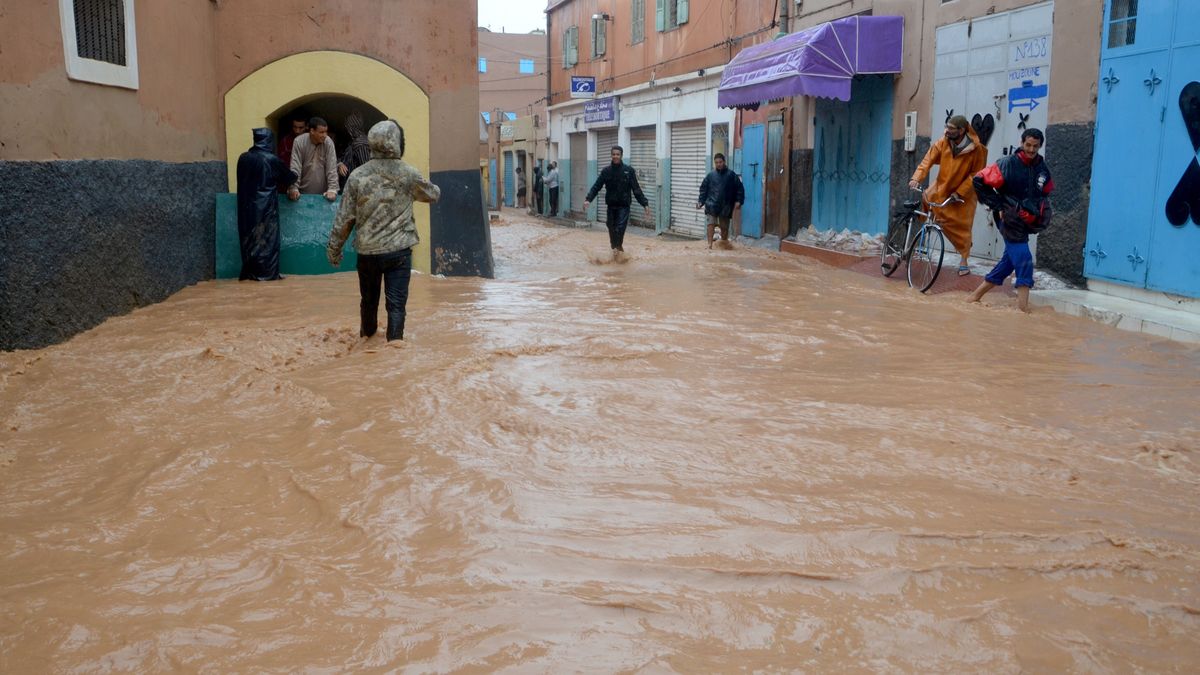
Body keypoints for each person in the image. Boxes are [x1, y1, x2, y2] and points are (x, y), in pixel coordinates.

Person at [327, 120, 441, 342]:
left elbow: (345, 218)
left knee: (368, 302)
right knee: (396, 305)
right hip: (398, 253)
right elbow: (433, 195)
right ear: (397, 143)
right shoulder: (408, 174)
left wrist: (334, 249)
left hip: (367, 253)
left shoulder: (357, 176)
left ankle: (366, 344)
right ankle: (394, 349)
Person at [968, 128, 1054, 313]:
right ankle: (1023, 311)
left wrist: (1040, 214)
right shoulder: (1007, 164)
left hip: (1027, 221)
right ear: (1022, 143)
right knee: (1024, 259)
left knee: (1009, 261)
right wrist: (998, 206)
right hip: (1008, 218)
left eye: (1035, 146)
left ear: (1040, 146)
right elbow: (979, 180)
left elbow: (1046, 192)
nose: (1031, 150)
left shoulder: (1041, 167)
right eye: (1028, 145)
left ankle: (974, 297)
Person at [909, 115, 988, 275]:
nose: (947, 131)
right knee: (928, 199)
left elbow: (976, 174)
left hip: (964, 193)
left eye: (951, 129)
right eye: (947, 127)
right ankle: (922, 239)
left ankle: (964, 259)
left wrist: (959, 193)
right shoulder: (943, 142)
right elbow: (928, 160)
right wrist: (916, 178)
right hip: (942, 187)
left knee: (962, 228)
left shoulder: (977, 149)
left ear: (961, 130)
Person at [236, 128, 297, 281]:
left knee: (249, 240)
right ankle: (267, 275)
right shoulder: (271, 159)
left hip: (245, 208)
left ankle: (250, 273)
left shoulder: (243, 158)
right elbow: (289, 177)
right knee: (267, 241)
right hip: (266, 209)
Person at [583, 146, 651, 253]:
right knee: (610, 227)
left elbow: (636, 189)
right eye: (613, 154)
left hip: (624, 207)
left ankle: (618, 249)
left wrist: (645, 204)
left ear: (621, 156)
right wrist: (588, 199)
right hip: (611, 206)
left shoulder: (628, 171)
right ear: (611, 155)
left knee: (619, 228)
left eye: (617, 154)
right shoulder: (606, 171)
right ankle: (616, 250)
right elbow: (597, 186)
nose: (615, 156)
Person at [695, 153, 745, 249]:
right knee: (710, 224)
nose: (718, 164)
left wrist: (739, 201)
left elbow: (740, 188)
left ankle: (723, 244)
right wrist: (701, 202)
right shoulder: (710, 175)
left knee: (724, 227)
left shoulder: (731, 175)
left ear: (724, 162)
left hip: (726, 205)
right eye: (716, 162)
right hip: (711, 204)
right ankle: (709, 245)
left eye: (720, 162)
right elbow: (703, 190)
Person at [288, 116, 339, 201]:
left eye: (326, 132)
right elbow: (295, 166)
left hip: (323, 195)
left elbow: (332, 167)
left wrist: (332, 189)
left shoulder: (328, 142)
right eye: (321, 132)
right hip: (301, 194)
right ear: (312, 131)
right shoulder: (299, 141)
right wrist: (294, 188)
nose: (325, 135)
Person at [337, 111, 372, 189]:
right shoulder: (352, 142)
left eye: (347, 127)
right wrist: (339, 164)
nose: (346, 130)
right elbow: (342, 157)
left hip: (356, 188)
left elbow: (366, 170)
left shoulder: (361, 145)